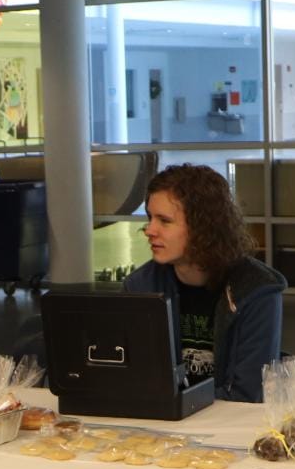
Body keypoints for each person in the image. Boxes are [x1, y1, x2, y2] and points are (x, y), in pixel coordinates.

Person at [122, 164, 285, 402]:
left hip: (228, 426)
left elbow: (248, 392)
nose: (149, 230)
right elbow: (131, 377)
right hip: (163, 423)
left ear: (203, 227)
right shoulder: (140, 286)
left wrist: (177, 405)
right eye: (150, 218)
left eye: (164, 221)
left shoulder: (257, 289)